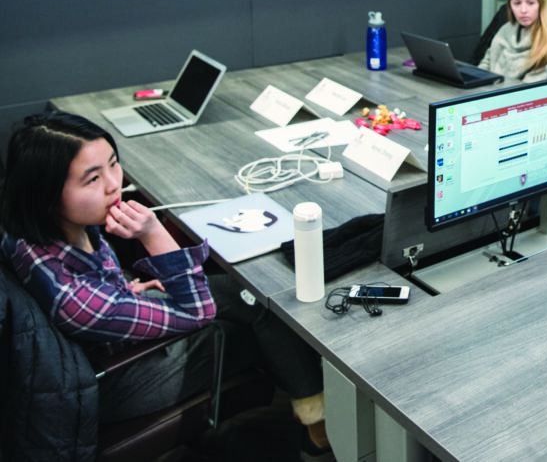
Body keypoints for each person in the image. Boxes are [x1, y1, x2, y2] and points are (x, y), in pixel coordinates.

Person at [0, 112, 333, 460]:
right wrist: (153, 232)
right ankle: (320, 427)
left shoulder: (34, 226)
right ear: (46, 194)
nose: (114, 184)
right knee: (264, 320)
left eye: (113, 164)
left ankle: (313, 410)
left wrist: (128, 287)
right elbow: (199, 311)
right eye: (92, 179)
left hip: (110, 323)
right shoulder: (75, 299)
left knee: (248, 298)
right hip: (117, 377)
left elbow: (101, 289)